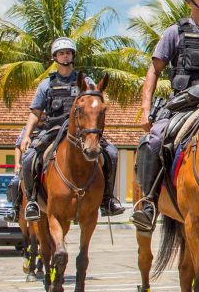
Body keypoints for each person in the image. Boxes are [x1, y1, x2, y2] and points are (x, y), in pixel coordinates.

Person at [131, 0, 199, 232]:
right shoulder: (175, 32)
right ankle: (148, 202)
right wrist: (146, 109)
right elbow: (154, 70)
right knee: (154, 141)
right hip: (182, 105)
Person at [17, 37, 124, 221]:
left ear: (72, 55)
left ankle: (108, 199)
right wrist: (27, 136)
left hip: (82, 132)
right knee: (28, 158)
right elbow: (35, 113)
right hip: (53, 129)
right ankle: (33, 201)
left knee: (112, 154)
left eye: (68, 53)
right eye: (61, 53)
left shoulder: (86, 81)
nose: (65, 56)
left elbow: (95, 106)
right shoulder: (46, 85)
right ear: (55, 57)